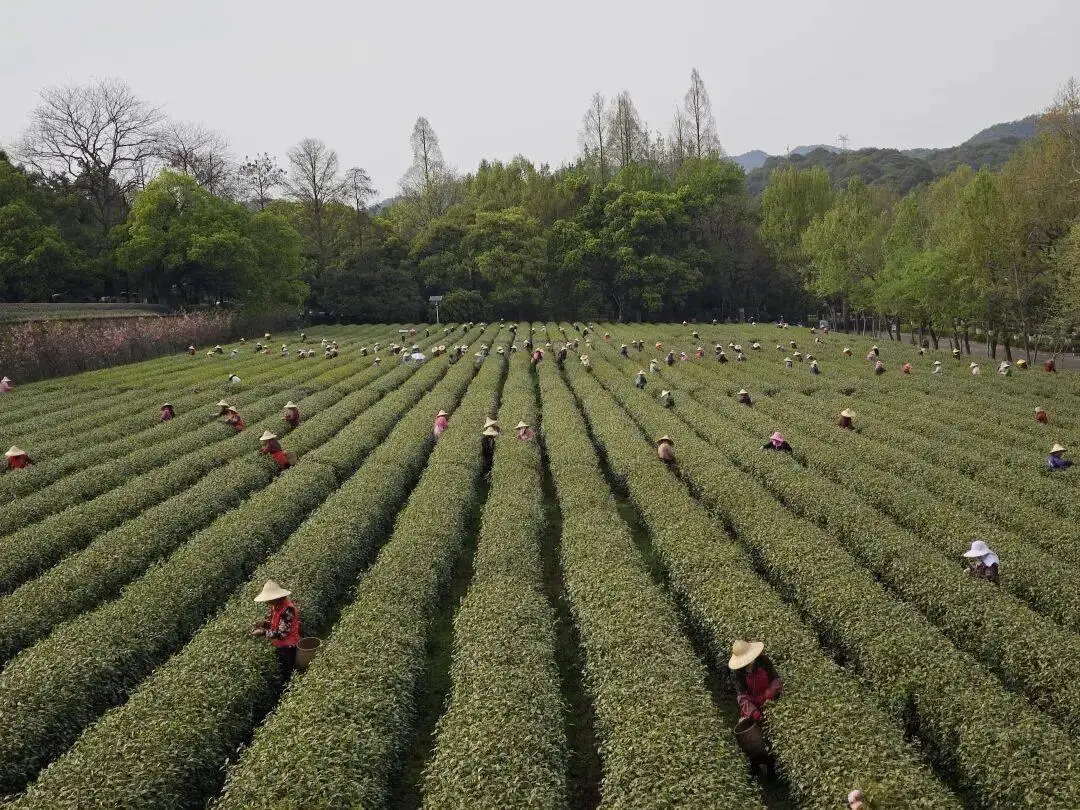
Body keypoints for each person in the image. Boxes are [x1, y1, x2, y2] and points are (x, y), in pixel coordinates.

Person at [252, 580, 301, 682]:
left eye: (269, 599)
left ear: (276, 598)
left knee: (288, 674)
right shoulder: (277, 606)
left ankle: (290, 691)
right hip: (281, 645)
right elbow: (277, 625)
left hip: (288, 647)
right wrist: (264, 624)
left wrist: (263, 632)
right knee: (285, 672)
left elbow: (282, 633)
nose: (267, 602)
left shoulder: (287, 609)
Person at [729, 639, 783, 723]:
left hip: (770, 698)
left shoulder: (762, 660)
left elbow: (776, 678)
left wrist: (771, 690)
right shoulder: (737, 673)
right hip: (753, 703)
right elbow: (742, 697)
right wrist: (755, 713)